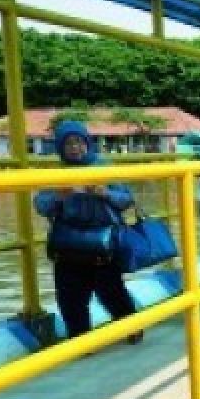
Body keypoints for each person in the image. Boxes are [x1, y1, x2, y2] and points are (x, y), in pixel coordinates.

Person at [34, 120, 142, 344]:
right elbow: (41, 205)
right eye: (68, 144)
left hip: (103, 243)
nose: (74, 148)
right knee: (70, 297)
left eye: (78, 142)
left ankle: (132, 328)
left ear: (87, 143)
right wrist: (58, 196)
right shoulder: (55, 174)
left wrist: (106, 194)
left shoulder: (104, 167)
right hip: (68, 245)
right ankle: (81, 341)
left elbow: (127, 199)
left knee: (111, 291)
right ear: (60, 148)